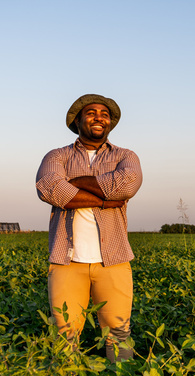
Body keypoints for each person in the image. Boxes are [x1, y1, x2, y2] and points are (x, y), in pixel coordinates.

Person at [35, 94, 142, 362]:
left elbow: (128, 185)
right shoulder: (57, 155)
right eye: (91, 112)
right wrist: (108, 198)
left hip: (114, 260)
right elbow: (49, 187)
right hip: (66, 260)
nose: (99, 117)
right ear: (78, 120)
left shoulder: (125, 156)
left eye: (104, 114)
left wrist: (73, 184)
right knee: (65, 333)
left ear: (110, 122)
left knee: (119, 332)